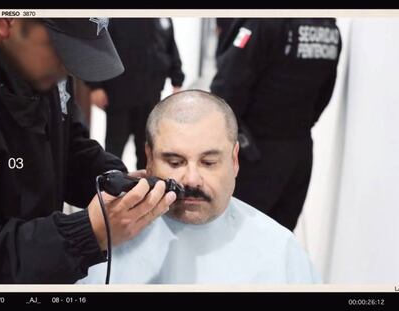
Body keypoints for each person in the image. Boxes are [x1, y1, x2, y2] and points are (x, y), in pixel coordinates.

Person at [0, 18, 177, 283]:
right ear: (4, 20)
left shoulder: (40, 69)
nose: (70, 68)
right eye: (62, 49)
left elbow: (68, 147)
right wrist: (88, 234)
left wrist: (115, 181)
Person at [79, 90, 320, 284]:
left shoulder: (279, 250)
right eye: (175, 162)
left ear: (234, 160)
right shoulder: (107, 239)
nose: (192, 179)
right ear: (149, 159)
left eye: (208, 162)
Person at [210, 18, 342, 231]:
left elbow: (225, 91)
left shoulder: (265, 22)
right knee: (279, 238)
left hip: (254, 153)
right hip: (298, 153)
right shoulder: (330, 28)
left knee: (237, 237)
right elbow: (324, 95)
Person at [89, 18, 185, 169]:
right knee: (114, 149)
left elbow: (170, 47)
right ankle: (111, 184)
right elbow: (98, 48)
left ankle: (146, 187)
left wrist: (177, 81)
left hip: (150, 96)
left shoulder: (162, 17)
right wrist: (95, 86)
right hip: (119, 95)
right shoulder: (114, 16)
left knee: (147, 149)